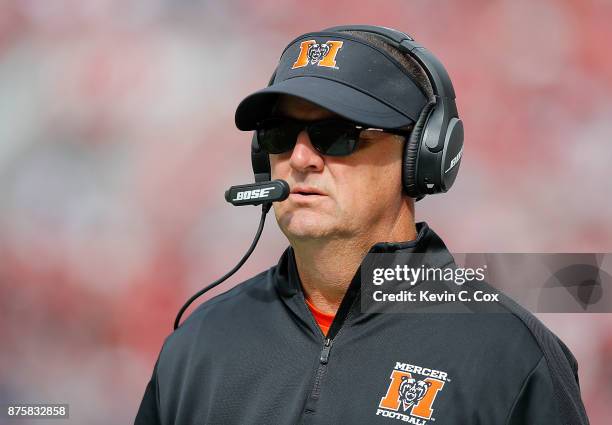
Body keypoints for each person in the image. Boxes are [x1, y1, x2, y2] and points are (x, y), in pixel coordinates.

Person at [135, 25, 589, 425]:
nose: (300, 158)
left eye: (337, 134)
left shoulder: (511, 355)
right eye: (278, 134)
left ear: (422, 155)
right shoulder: (197, 346)